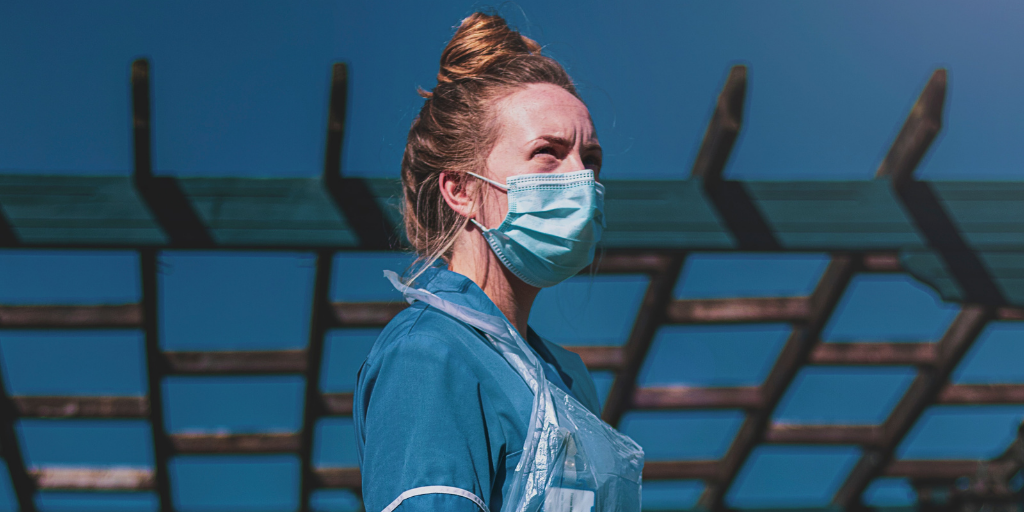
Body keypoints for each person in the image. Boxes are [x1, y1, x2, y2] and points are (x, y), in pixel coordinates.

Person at [354, 12, 641, 512]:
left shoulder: (566, 379)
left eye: (591, 159)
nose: (582, 180)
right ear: (461, 189)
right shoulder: (430, 352)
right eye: (548, 152)